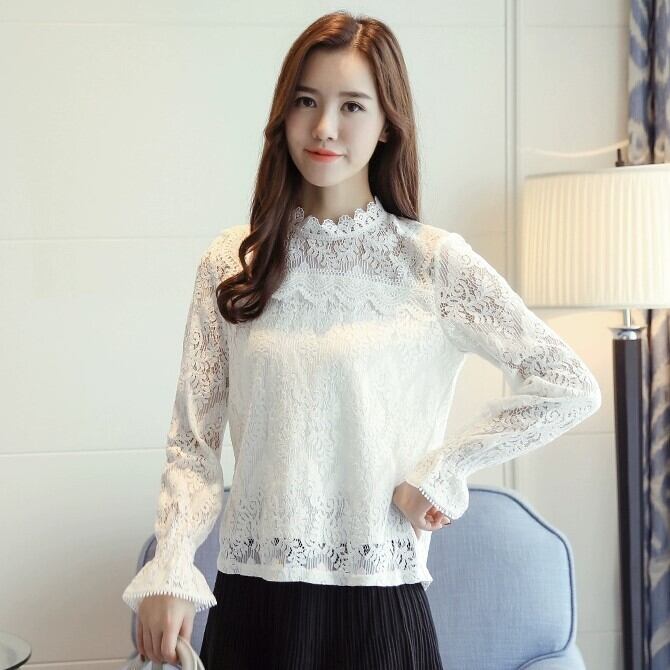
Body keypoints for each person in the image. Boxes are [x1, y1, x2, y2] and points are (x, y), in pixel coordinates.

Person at [121, 10, 602, 670]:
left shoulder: (432, 263)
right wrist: (173, 568)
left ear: (387, 125)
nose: (324, 127)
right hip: (252, 602)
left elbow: (567, 385)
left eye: (351, 106)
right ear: (283, 115)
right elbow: (193, 444)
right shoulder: (231, 263)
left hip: (382, 602)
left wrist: (444, 471)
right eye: (306, 102)